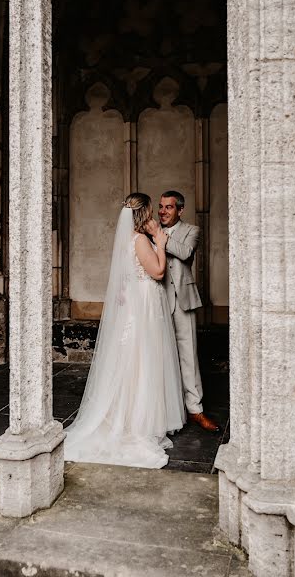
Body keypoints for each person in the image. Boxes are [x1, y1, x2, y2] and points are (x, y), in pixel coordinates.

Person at [64, 193, 186, 469]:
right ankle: (139, 419)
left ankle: (137, 413)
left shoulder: (126, 241)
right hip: (144, 304)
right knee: (144, 358)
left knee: (137, 357)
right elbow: (156, 272)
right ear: (145, 213)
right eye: (153, 210)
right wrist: (162, 244)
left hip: (137, 302)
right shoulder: (140, 240)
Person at [159, 190, 220, 432]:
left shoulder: (191, 230)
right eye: (161, 207)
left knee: (188, 355)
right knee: (161, 355)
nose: (162, 211)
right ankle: (165, 409)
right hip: (159, 301)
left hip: (184, 300)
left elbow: (184, 254)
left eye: (169, 207)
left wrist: (158, 236)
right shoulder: (149, 232)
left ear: (180, 210)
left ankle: (195, 409)